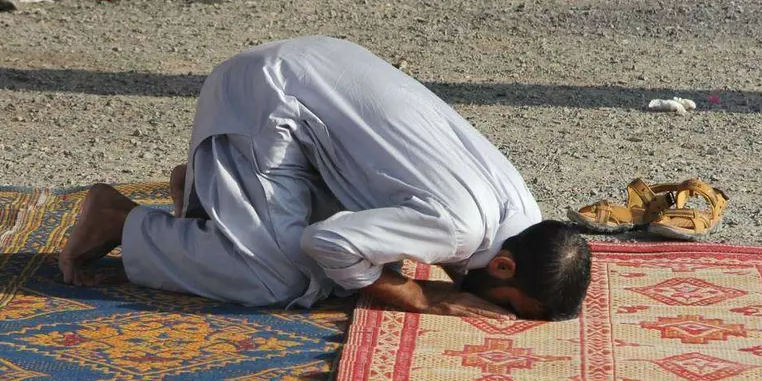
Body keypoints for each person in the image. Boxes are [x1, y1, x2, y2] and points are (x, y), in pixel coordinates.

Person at [60, 36, 591, 321]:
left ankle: (208, 196)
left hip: (316, 73)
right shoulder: (460, 231)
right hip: (267, 97)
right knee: (281, 280)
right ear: (503, 264)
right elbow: (329, 242)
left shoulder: (523, 210)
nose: (490, 308)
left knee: (345, 269)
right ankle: (122, 221)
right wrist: (418, 297)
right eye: (504, 303)